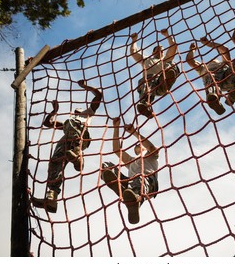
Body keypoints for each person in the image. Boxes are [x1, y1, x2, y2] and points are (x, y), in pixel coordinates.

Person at [31, 80, 102, 213]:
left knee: (70, 123)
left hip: (82, 135)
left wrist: (86, 87)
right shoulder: (67, 123)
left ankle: (77, 154)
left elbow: (98, 95)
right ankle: (52, 197)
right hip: (68, 139)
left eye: (77, 110)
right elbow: (48, 123)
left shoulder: (87, 113)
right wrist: (54, 111)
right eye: (74, 111)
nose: (75, 112)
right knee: (55, 161)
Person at [101, 117, 159, 224]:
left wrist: (134, 132)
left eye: (140, 144)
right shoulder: (131, 161)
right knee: (106, 166)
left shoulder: (150, 156)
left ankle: (136, 199)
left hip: (148, 182)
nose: (138, 145)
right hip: (132, 182)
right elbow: (116, 150)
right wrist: (116, 127)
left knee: (138, 177)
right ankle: (125, 193)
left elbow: (152, 148)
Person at [186, 36, 235, 115]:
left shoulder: (223, 63)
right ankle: (214, 99)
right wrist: (192, 50)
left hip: (228, 78)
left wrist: (209, 44)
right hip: (215, 84)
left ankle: (233, 89)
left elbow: (224, 49)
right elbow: (190, 61)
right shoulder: (202, 68)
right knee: (210, 75)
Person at [130, 28, 180, 119]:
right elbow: (133, 52)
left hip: (161, 84)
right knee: (149, 78)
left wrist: (167, 35)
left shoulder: (165, 60)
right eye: (158, 49)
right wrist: (134, 40)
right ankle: (145, 105)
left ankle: (168, 79)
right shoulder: (146, 60)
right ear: (153, 52)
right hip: (148, 85)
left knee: (171, 66)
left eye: (162, 51)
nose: (161, 51)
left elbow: (173, 46)